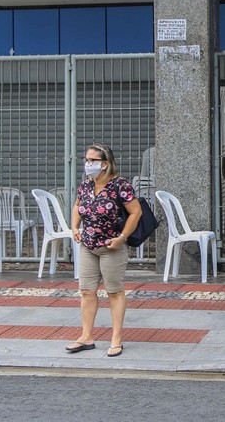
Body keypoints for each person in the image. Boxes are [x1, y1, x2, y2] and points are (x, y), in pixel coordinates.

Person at [68, 142, 141, 358]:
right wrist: (74, 227)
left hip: (111, 247)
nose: (87, 164)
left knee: (114, 292)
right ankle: (86, 336)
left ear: (105, 164)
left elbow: (136, 213)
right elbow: (77, 206)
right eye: (86, 160)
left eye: (93, 160)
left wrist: (122, 238)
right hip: (88, 245)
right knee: (86, 291)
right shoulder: (86, 185)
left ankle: (116, 338)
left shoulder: (120, 185)